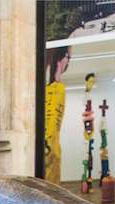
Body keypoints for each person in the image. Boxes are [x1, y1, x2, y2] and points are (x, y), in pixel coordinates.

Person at [44, 46, 70, 185]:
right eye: (68, 58)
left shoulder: (53, 89)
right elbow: (52, 128)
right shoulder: (56, 89)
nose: (68, 62)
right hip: (50, 152)